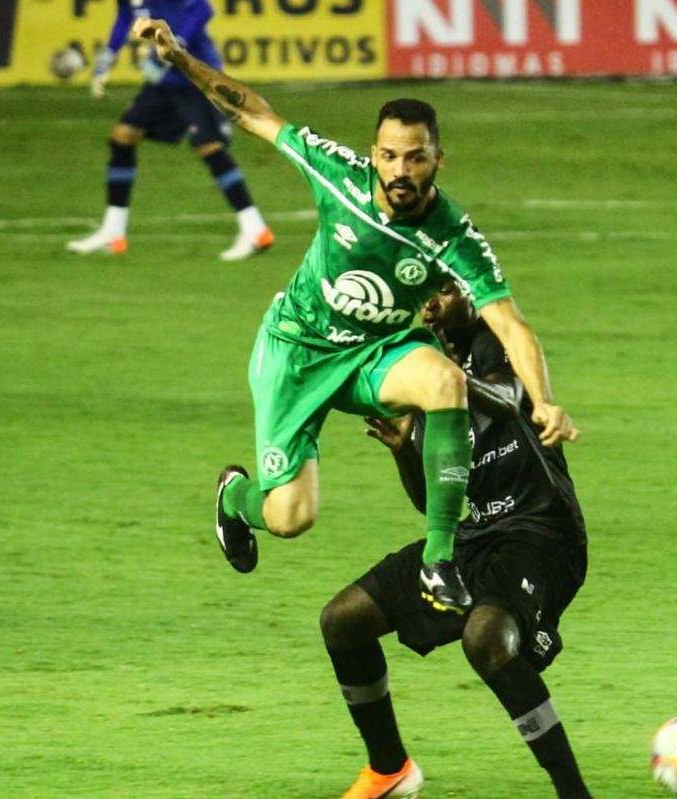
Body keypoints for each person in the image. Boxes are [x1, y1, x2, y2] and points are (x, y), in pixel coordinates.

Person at [132, 18, 578, 612]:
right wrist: (181, 58)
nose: (400, 170)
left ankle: (438, 561)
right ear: (374, 155)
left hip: (371, 355)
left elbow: (508, 321)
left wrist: (543, 398)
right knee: (290, 516)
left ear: (438, 160)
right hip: (296, 350)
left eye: (414, 158)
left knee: (445, 382)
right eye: (390, 156)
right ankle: (235, 498)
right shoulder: (339, 177)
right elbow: (255, 112)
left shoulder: (454, 236)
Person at [320, 281, 592, 799]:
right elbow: (435, 500)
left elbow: (515, 401)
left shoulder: (496, 343)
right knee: (343, 620)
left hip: (541, 533)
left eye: (444, 289)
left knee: (486, 639)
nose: (432, 303)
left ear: (469, 294)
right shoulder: (426, 376)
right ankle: (389, 769)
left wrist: (443, 383)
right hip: (476, 536)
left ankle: (573, 793)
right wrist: (405, 449)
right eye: (425, 293)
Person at [66, 0, 274, 261]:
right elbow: (125, 17)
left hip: (195, 73)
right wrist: (107, 57)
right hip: (166, 80)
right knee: (123, 136)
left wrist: (173, 48)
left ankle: (255, 228)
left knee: (209, 146)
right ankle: (113, 232)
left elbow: (202, 9)